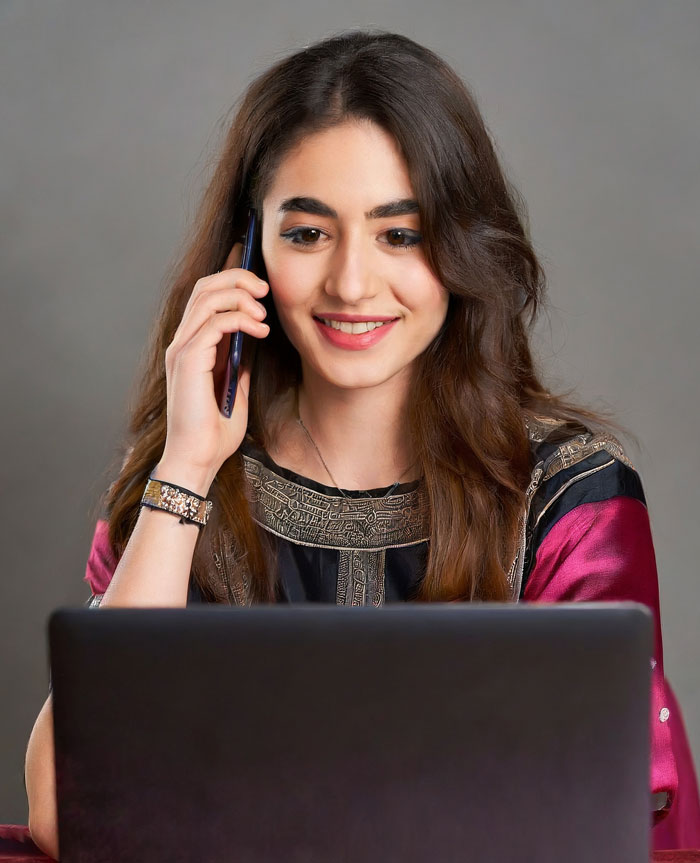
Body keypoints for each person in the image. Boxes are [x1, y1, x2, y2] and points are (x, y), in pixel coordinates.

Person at [25, 29, 700, 858]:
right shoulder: (189, 482)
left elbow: (619, 814)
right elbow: (67, 811)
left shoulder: (567, 495)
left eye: (400, 235)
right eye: (307, 233)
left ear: (461, 245)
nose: (350, 282)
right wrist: (188, 465)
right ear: (249, 251)